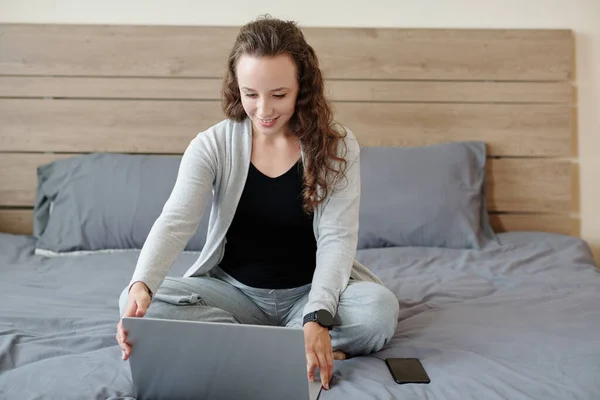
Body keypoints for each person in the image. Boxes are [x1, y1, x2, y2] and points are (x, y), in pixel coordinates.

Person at [115, 15, 399, 391]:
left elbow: (337, 238)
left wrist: (317, 315)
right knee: (134, 301)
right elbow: (176, 221)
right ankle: (288, 345)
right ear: (237, 87)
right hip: (233, 296)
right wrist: (142, 287)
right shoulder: (211, 145)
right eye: (251, 94)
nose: (263, 110)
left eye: (278, 95)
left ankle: (272, 341)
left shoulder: (337, 145)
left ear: (303, 87)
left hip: (309, 294)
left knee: (379, 311)